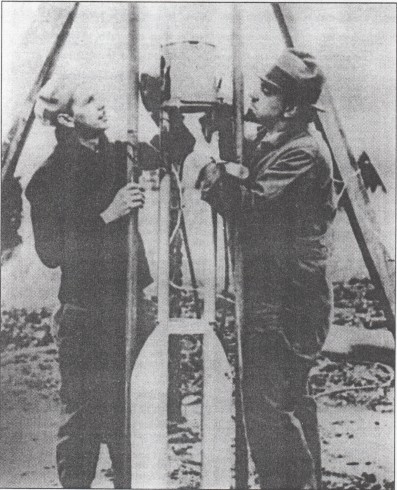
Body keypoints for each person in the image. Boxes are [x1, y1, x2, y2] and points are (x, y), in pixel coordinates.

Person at [197, 49, 336, 489]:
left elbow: (247, 204)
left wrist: (197, 159)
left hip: (287, 308)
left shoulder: (303, 154)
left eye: (266, 92)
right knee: (287, 404)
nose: (253, 98)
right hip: (278, 300)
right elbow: (248, 166)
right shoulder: (278, 141)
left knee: (267, 413)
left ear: (292, 107)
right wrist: (219, 132)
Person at [25, 75, 155, 489]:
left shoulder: (119, 156)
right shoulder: (46, 179)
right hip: (84, 314)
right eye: (90, 99)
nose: (102, 104)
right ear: (66, 118)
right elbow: (51, 253)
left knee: (128, 415)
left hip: (131, 304)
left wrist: (162, 108)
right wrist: (108, 214)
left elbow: (169, 152)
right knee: (83, 418)